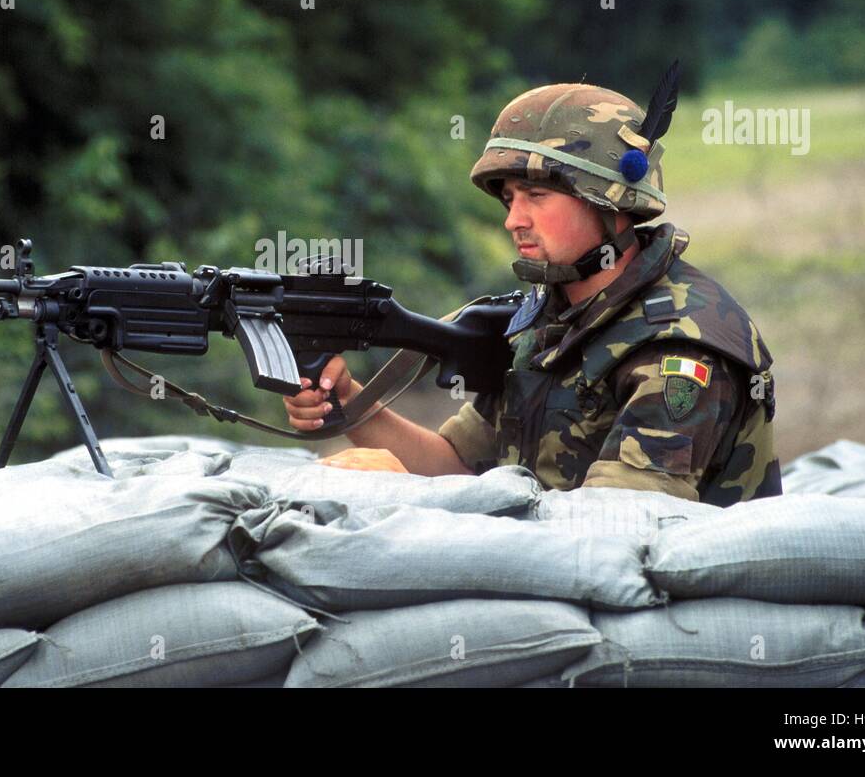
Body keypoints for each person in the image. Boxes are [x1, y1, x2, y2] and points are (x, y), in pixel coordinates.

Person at [283, 76, 781, 506]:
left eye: (537, 197)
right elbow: (458, 465)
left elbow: (617, 528)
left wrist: (408, 494)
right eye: (509, 199)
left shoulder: (679, 349)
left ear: (610, 204)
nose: (512, 220)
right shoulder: (555, 320)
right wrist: (351, 402)